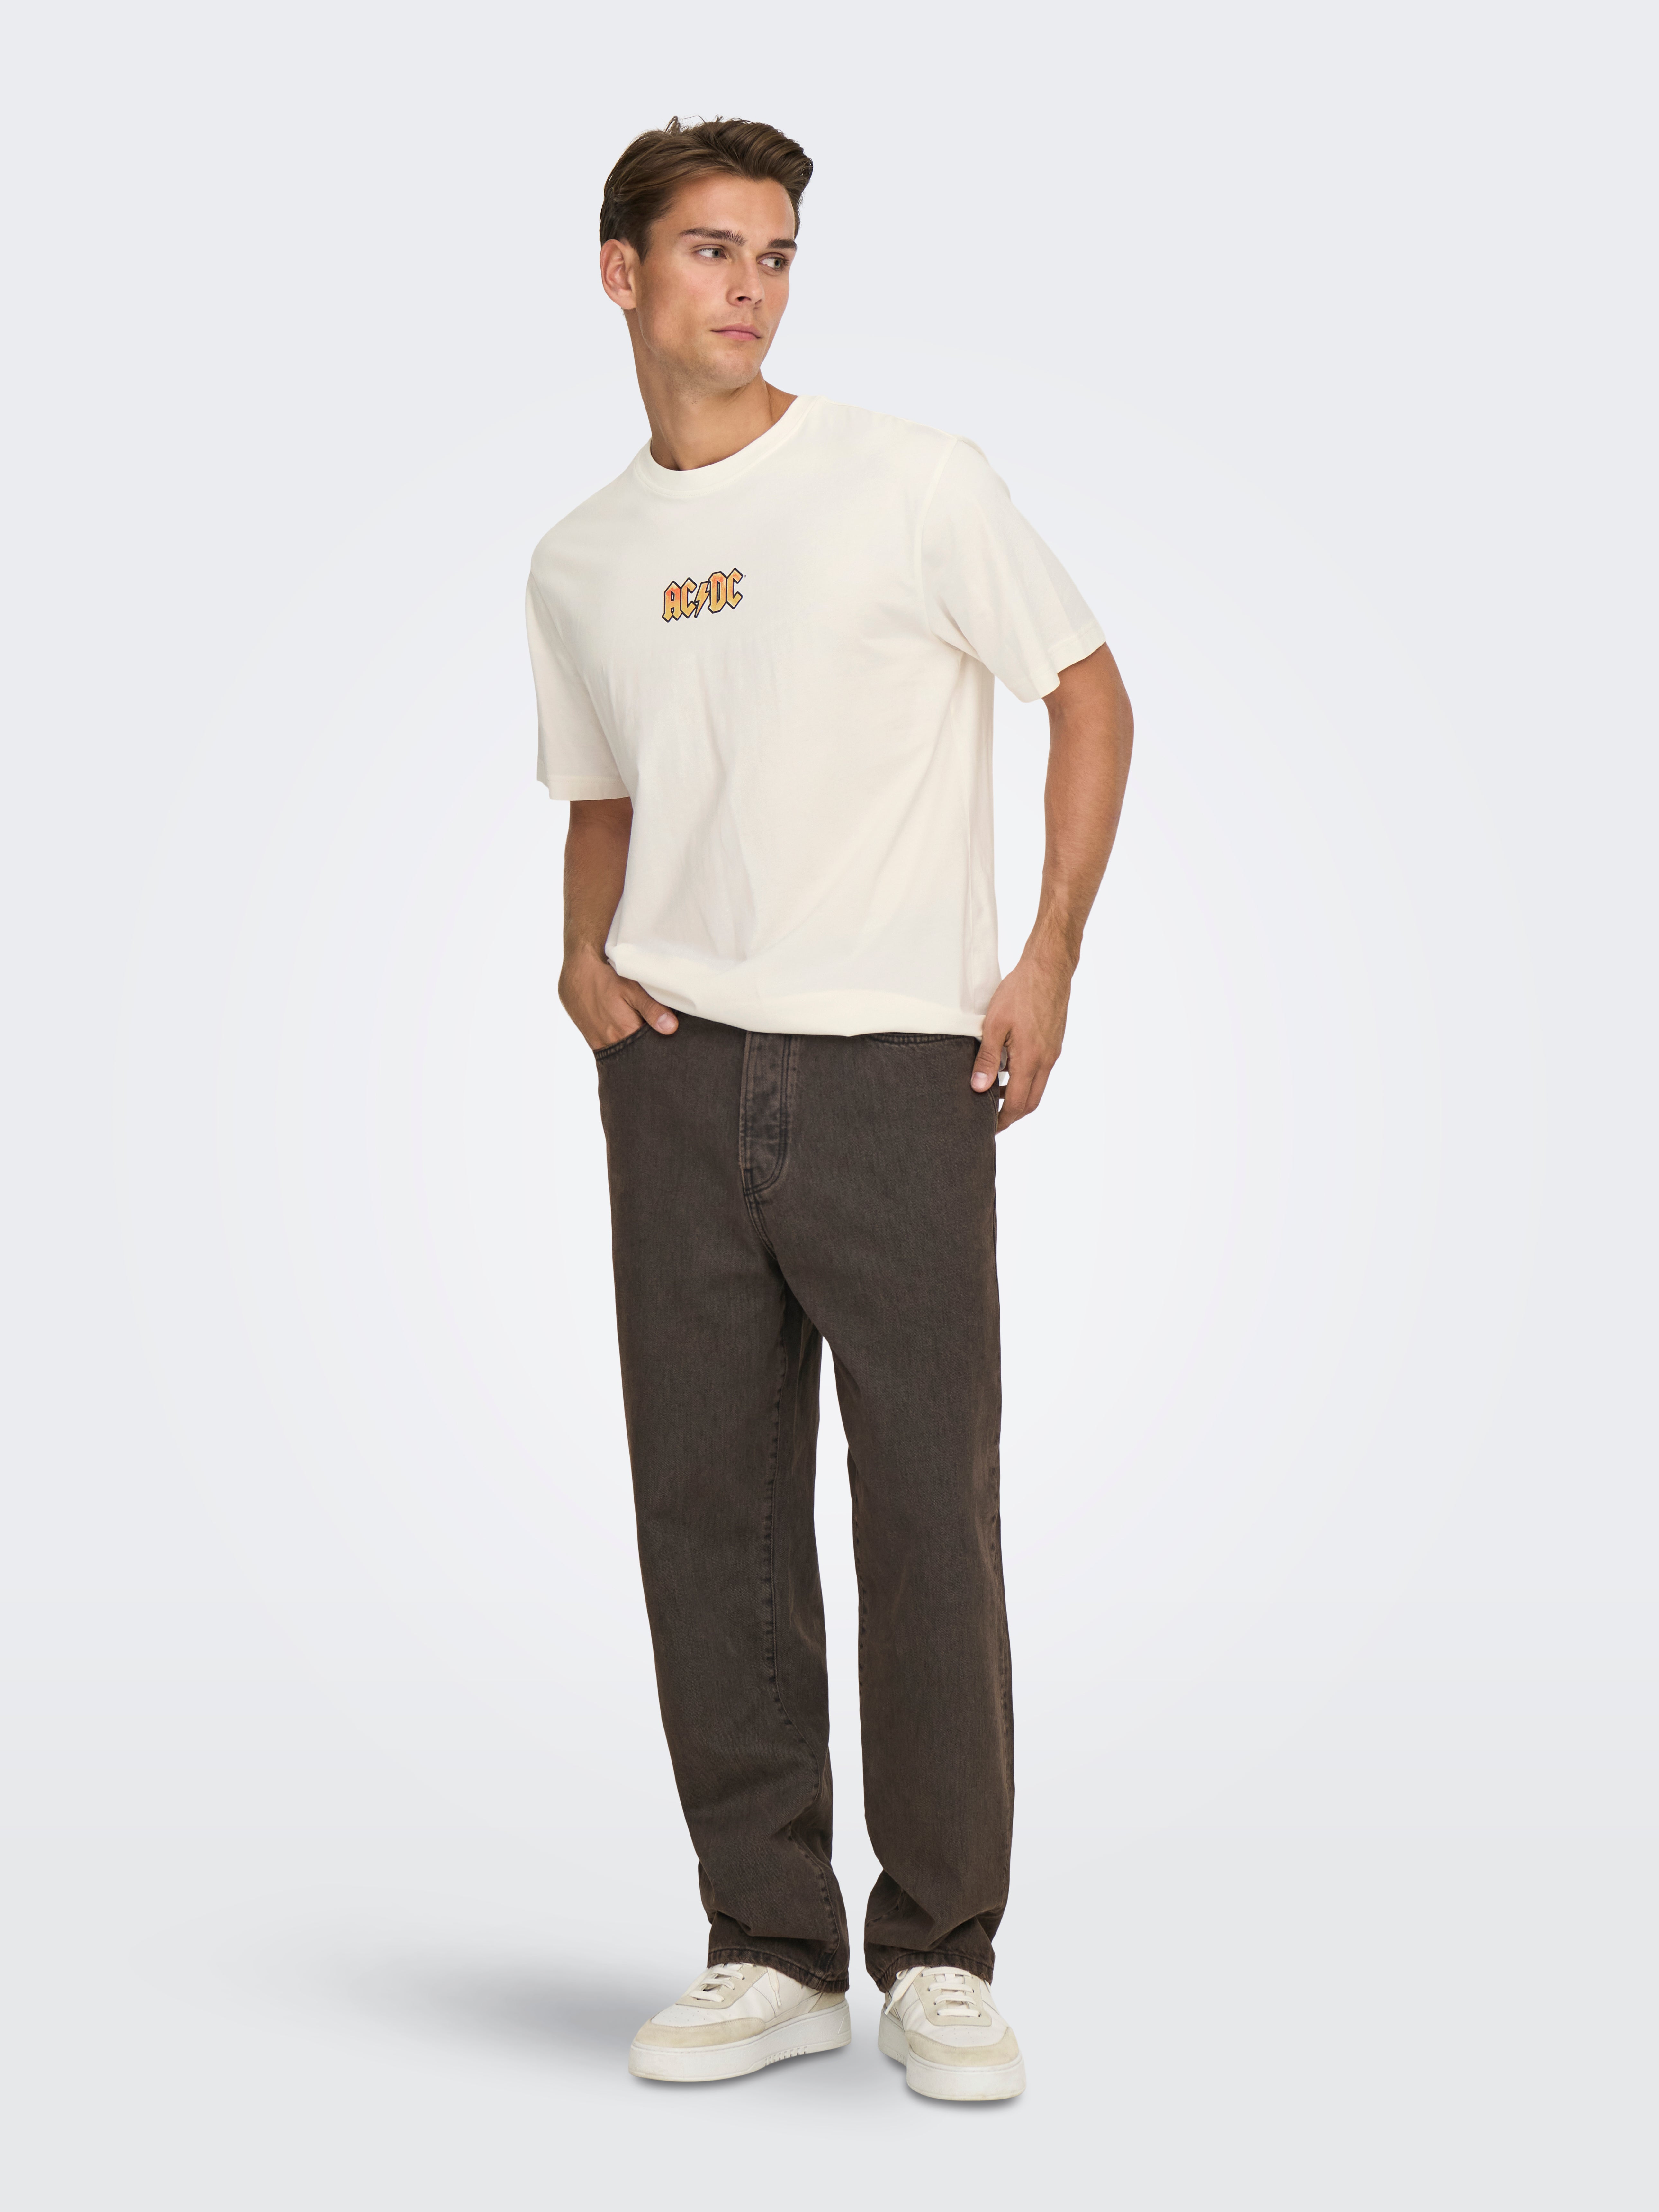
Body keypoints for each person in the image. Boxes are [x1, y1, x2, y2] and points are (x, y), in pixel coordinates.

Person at [525, 116, 1132, 2102]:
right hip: (676, 1072)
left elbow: (1089, 689)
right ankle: (769, 1944)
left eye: (777, 253)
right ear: (622, 272)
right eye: (714, 249)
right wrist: (582, 951)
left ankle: (941, 1950)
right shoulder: (582, 559)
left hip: (893, 1067)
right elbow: (606, 782)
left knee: (926, 1508)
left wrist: (1046, 954)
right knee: (708, 1511)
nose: (753, 288)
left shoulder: (910, 480)